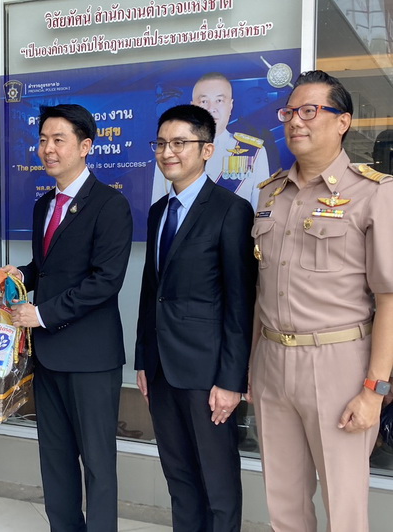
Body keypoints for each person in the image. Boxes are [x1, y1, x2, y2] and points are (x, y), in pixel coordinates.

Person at [249, 70, 393, 531]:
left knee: (343, 509)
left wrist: (374, 390)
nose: (296, 121)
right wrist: (253, 368)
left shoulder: (373, 193)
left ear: (343, 121)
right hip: (272, 362)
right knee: (284, 504)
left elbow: (389, 299)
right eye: (290, 112)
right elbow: (262, 292)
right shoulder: (270, 193)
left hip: (338, 365)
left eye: (310, 111)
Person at [2, 104, 132, 532]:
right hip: (49, 355)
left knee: (97, 462)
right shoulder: (45, 205)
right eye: (43, 140)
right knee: (55, 459)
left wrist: (40, 314)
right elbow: (49, 268)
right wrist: (21, 275)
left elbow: (104, 281)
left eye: (58, 140)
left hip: (91, 358)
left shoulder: (110, 204)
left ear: (85, 146)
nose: (48, 149)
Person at [135, 104, 257, 531]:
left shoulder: (230, 210)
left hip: (208, 375)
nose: (168, 152)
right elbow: (152, 291)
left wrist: (231, 380)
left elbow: (240, 303)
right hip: (162, 370)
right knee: (180, 478)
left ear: (207, 150)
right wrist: (144, 360)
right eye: (161, 144)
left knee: (217, 482)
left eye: (179, 143)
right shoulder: (158, 211)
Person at [151, 72, 270, 209]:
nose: (211, 109)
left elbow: (260, 214)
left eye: (219, 101)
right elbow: (159, 211)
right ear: (192, 106)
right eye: (204, 101)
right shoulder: (170, 152)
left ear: (230, 105)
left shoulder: (254, 152)